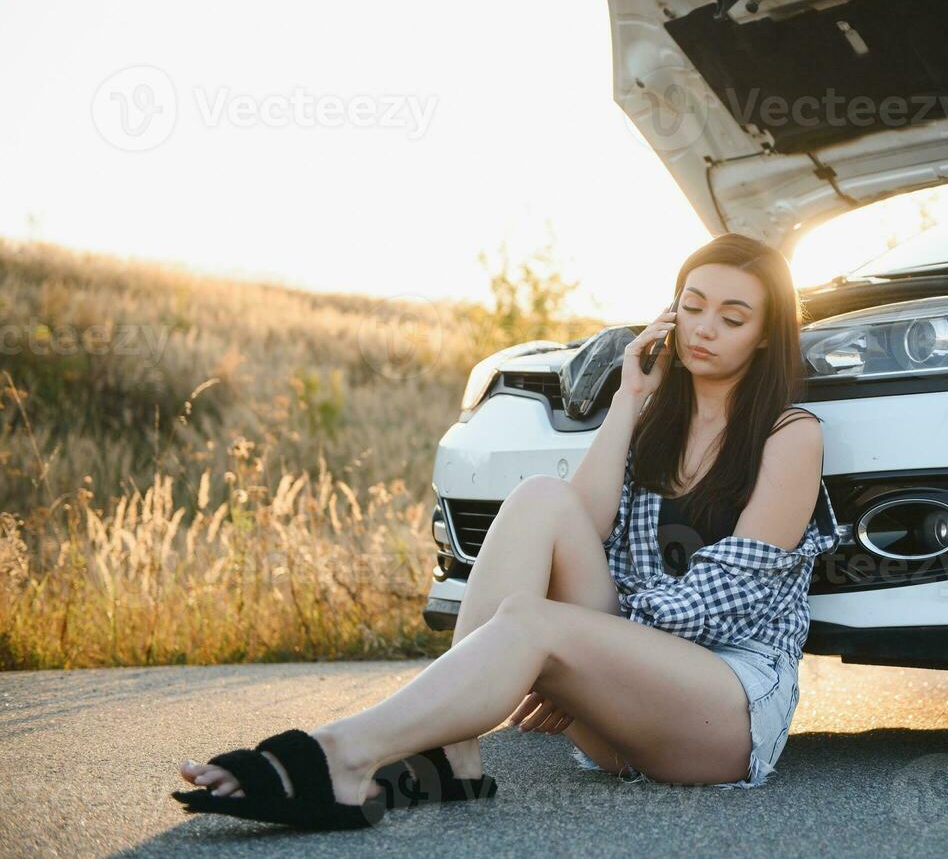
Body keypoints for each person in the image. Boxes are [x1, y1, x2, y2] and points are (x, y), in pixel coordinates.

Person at [172, 232, 842, 829]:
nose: (703, 328)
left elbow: (713, 606)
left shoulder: (789, 437)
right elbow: (578, 525)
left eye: (731, 317)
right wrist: (629, 401)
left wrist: (560, 653)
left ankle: (340, 753)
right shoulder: (651, 425)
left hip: (722, 716)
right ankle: (453, 753)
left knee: (529, 620)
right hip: (628, 708)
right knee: (539, 498)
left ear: (763, 336)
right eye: (691, 306)